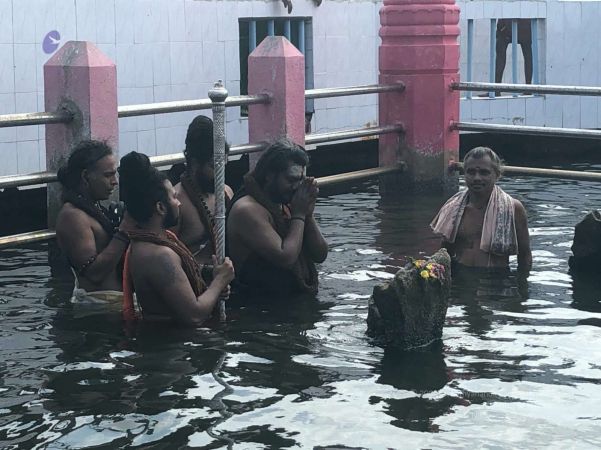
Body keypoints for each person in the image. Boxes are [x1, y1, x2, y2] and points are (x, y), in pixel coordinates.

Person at [119, 151, 234, 326]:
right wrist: (219, 282)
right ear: (160, 207)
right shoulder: (158, 255)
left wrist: (211, 279)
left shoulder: (155, 242)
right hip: (173, 340)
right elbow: (194, 316)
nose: (178, 202)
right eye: (173, 197)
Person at [226, 138, 328, 296]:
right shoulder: (246, 209)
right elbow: (286, 258)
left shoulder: (286, 203)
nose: (297, 188)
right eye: (291, 180)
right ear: (269, 176)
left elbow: (320, 255)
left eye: (301, 181)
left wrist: (308, 214)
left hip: (291, 302)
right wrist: (299, 214)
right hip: (260, 306)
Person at [430, 147, 532, 274]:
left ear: (497, 175)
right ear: (464, 174)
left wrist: (522, 283)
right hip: (460, 276)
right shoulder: (453, 207)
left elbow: (525, 255)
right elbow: (445, 251)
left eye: (484, 172)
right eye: (471, 172)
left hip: (496, 278)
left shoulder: (513, 208)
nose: (477, 178)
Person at [55, 140, 133, 305]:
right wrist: (124, 231)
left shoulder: (93, 207)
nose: (115, 181)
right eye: (108, 175)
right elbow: (93, 273)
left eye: (115, 174)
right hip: (99, 306)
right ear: (85, 176)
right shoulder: (73, 216)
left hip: (113, 302)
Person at [172, 115, 233, 266]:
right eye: (213, 166)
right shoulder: (176, 202)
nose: (220, 174)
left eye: (223, 165)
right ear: (194, 163)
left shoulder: (226, 193)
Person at [495, 19, 533, 93]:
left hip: (507, 26)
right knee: (528, 54)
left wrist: (502, 25)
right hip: (525, 26)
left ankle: (496, 89)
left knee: (500, 53)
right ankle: (528, 88)